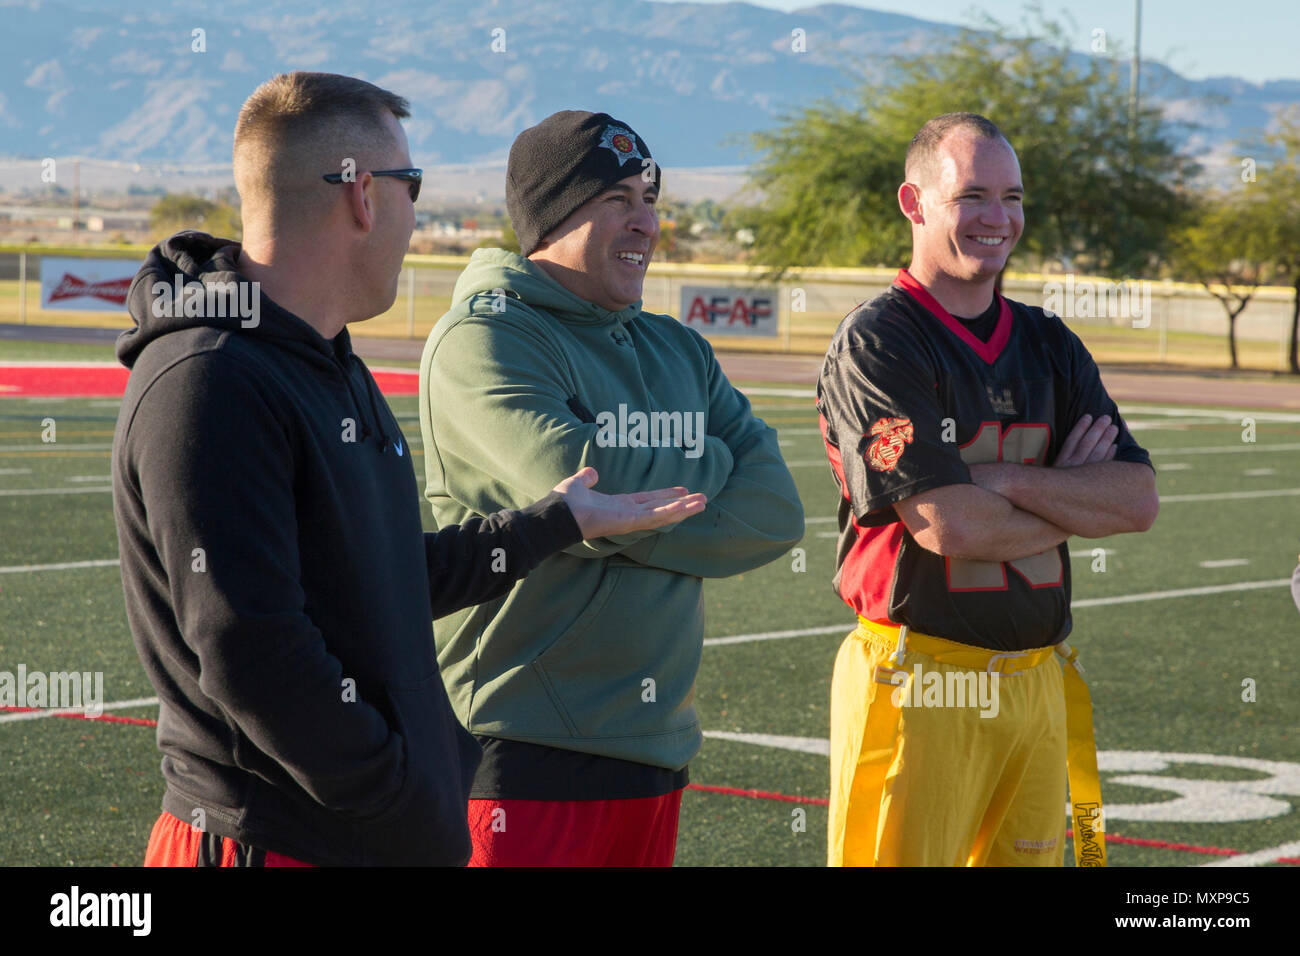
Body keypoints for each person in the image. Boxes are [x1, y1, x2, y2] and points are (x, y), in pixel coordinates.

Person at [111, 74, 705, 868]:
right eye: (412, 186)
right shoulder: (210, 380)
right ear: (361, 195)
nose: (416, 214)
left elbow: (379, 577)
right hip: (278, 844)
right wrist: (396, 798)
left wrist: (554, 523)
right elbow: (252, 650)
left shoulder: (323, 362)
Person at [418, 110, 804, 867]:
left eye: (650, 200)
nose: (645, 223)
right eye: (615, 201)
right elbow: (579, 485)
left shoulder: (678, 347)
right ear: (553, 214)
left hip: (655, 748)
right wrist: (709, 465)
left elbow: (776, 512)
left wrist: (613, 519)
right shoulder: (486, 335)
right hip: (521, 744)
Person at [816, 112, 1159, 867]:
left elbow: (1135, 502)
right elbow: (951, 528)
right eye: (972, 195)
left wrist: (1000, 480)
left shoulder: (1049, 342)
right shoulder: (879, 342)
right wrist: (1070, 495)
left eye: (1013, 196)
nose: (997, 218)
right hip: (920, 681)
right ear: (915, 203)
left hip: (1037, 678)